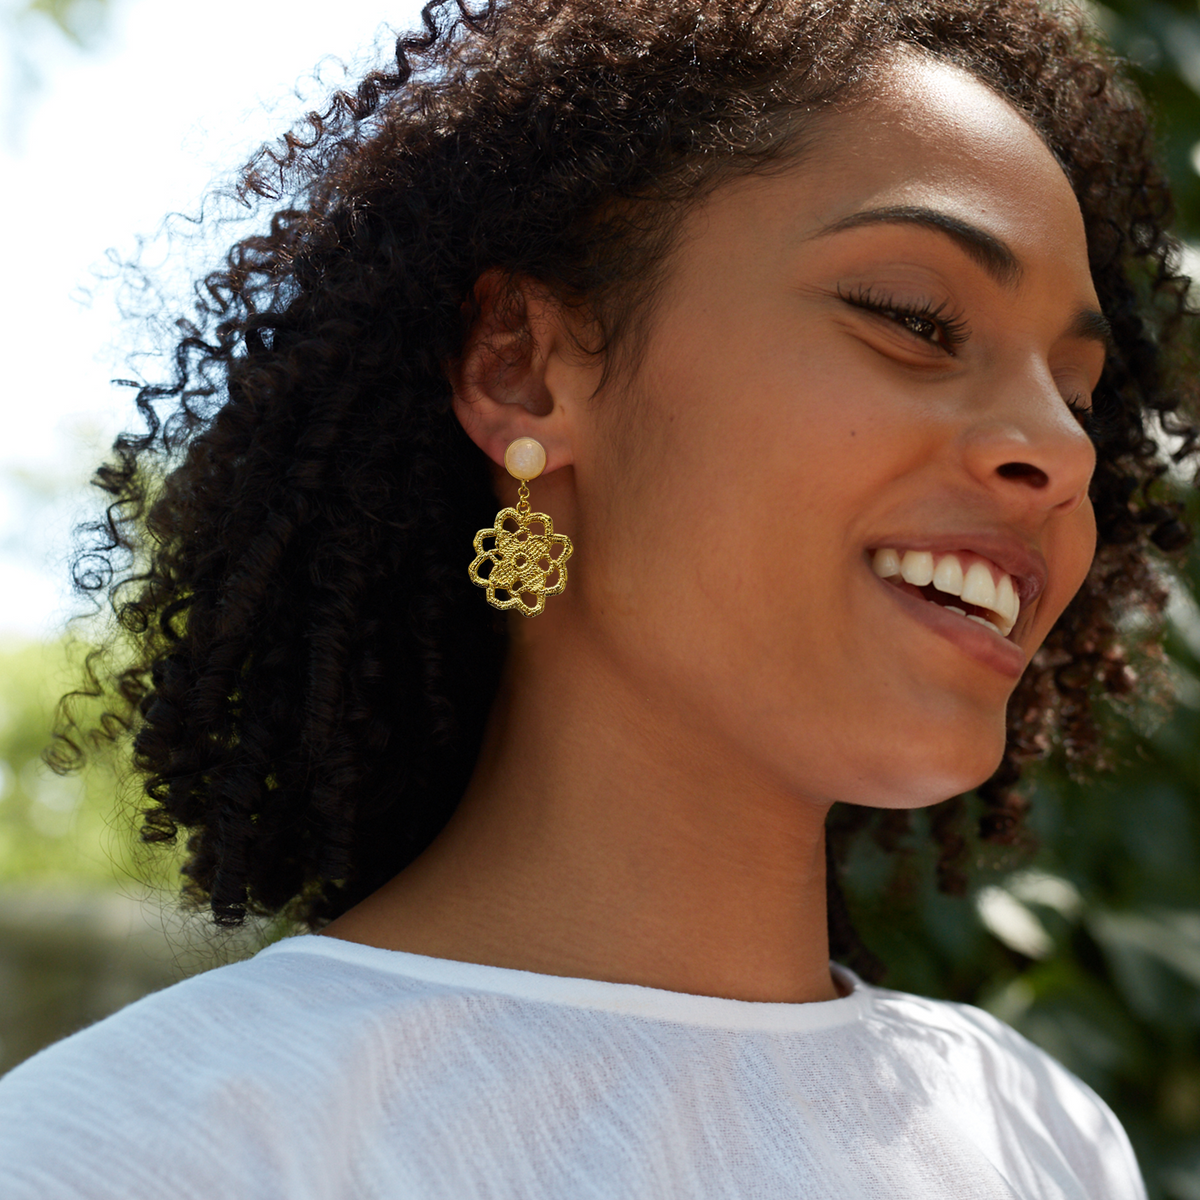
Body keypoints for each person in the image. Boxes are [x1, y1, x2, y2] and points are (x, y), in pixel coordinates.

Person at [1, 0, 1194, 1195]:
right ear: (521, 369)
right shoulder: (142, 1153)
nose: (1062, 449)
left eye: (1078, 394)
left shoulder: (1043, 1138)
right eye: (915, 320)